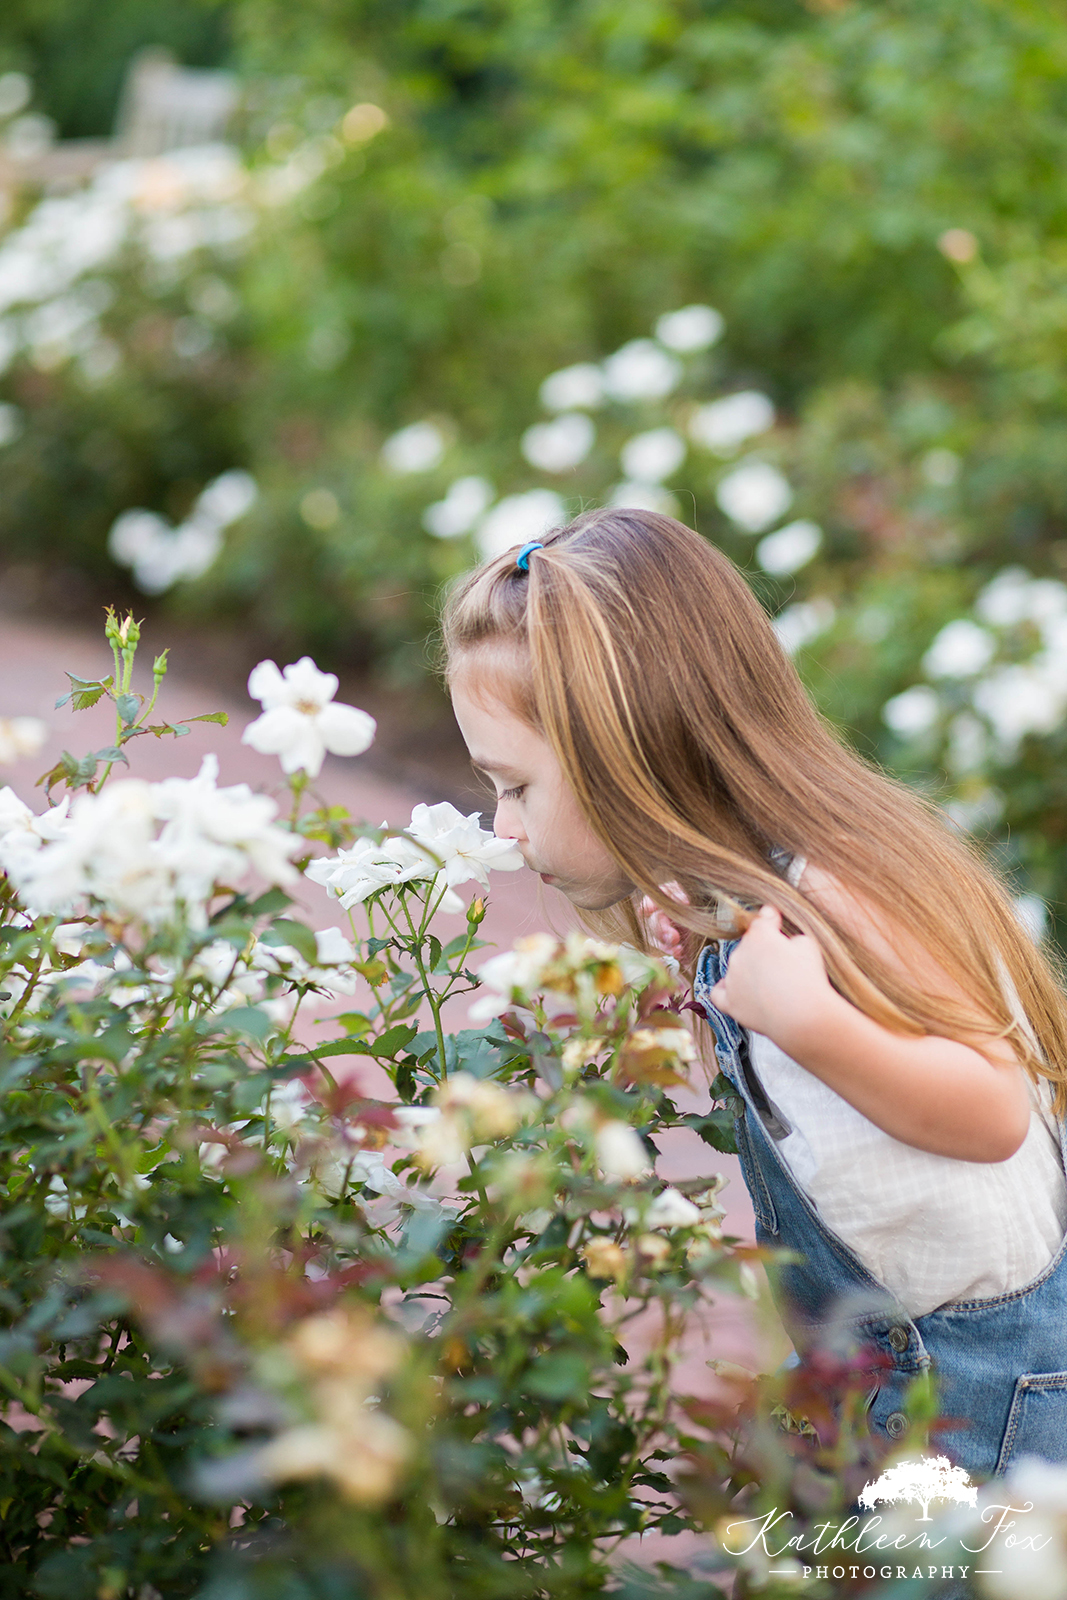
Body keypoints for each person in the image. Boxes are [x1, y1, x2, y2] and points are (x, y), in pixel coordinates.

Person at [440, 507, 1067, 1478]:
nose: (502, 827)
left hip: (981, 1394)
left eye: (515, 787)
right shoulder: (718, 899)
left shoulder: (829, 892)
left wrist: (809, 1023)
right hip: (873, 1363)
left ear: (631, 752)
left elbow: (989, 1112)